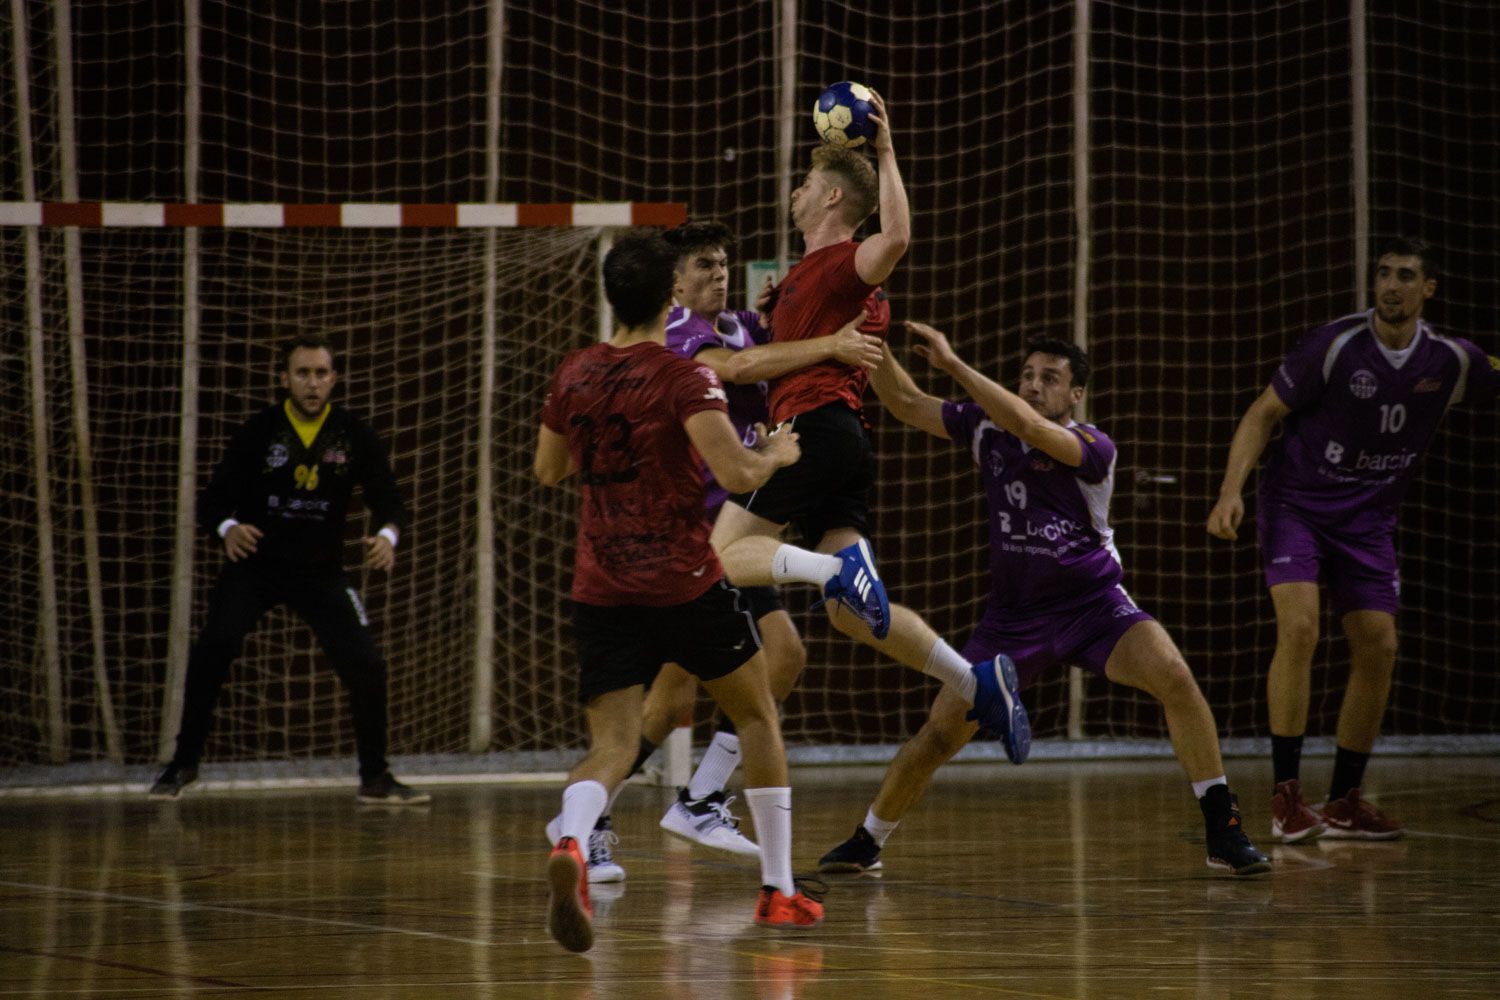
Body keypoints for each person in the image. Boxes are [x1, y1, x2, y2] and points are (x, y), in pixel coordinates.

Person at [815, 322, 1270, 876]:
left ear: (1076, 394)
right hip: (1015, 619)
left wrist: (955, 365)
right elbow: (907, 402)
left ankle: (1224, 830)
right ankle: (868, 841)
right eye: (1027, 375)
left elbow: (1028, 423)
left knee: (1175, 676)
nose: (1033, 386)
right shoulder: (986, 428)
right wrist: (871, 335)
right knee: (939, 734)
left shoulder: (1093, 446)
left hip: (1094, 605)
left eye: (1049, 378)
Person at [546, 219, 886, 882]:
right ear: (671, 283)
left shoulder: (742, 327)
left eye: (724, 263)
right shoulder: (674, 338)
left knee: (711, 684)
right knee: (693, 691)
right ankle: (661, 816)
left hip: (706, 536)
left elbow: (762, 356)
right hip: (699, 534)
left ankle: (650, 809)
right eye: (704, 265)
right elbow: (739, 369)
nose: (719, 275)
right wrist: (829, 344)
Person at [709, 91, 1031, 755]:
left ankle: (832, 572)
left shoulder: (841, 266)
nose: (795, 192)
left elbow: (899, 238)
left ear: (831, 199)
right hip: (844, 442)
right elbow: (901, 398)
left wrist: (884, 151)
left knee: (721, 558)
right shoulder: (820, 286)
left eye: (805, 184)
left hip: (810, 432)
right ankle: (976, 685)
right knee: (854, 616)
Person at [1208, 238, 1499, 842]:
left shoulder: (1450, 360)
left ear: (1428, 290)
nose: (1390, 285)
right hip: (1298, 505)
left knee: (1379, 644)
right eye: (1384, 273)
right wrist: (1230, 491)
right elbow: (1264, 413)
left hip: (1368, 521)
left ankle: (1344, 801)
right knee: (1301, 628)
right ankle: (1287, 796)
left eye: (1406, 276)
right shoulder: (1336, 344)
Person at [149, 334, 427, 806]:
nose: (312, 383)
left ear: (334, 379)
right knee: (213, 647)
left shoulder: (353, 433)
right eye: (303, 373)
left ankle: (375, 777)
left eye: (321, 374)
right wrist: (228, 526)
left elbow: (392, 503)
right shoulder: (259, 430)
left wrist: (387, 537)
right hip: (256, 567)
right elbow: (213, 498)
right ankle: (182, 764)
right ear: (285, 379)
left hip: (322, 571)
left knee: (367, 663)